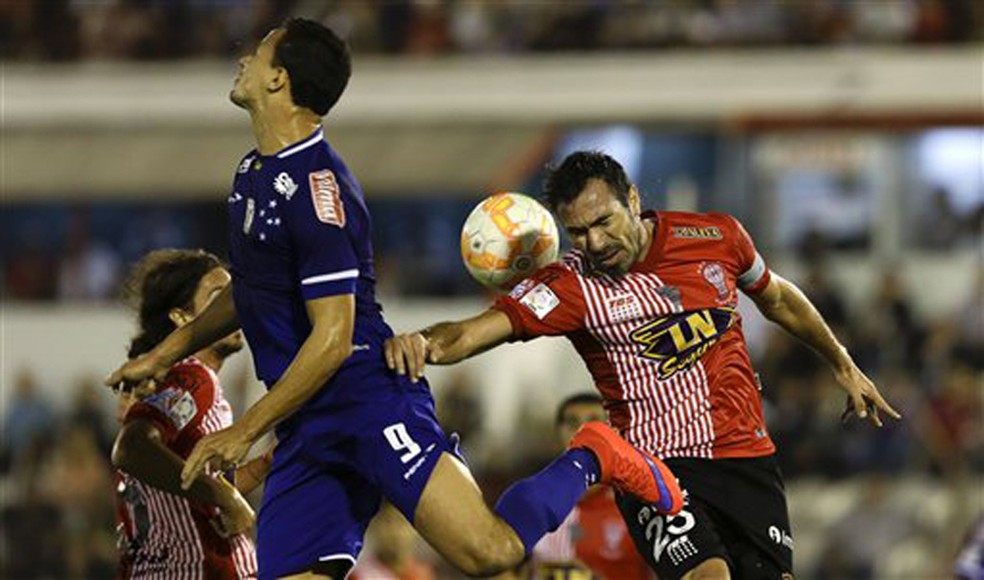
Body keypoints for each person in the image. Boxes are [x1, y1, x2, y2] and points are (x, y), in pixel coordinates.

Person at [106, 20, 682, 580]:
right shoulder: (252, 172)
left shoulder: (320, 193)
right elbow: (254, 292)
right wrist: (166, 353)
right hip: (305, 420)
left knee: (490, 554)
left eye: (258, 53)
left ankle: (594, 453)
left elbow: (332, 341)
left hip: (367, 399)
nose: (243, 59)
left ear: (279, 80)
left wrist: (244, 430)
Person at [385, 150, 902, 580]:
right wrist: (423, 344)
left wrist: (842, 361)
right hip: (653, 466)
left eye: (603, 222)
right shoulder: (569, 287)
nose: (594, 243)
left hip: (747, 457)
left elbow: (780, 298)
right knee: (710, 576)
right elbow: (475, 331)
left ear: (632, 200)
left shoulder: (718, 238)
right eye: (578, 232)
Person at [111, 249, 262, 578]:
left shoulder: (179, 385)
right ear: (181, 318)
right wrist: (225, 496)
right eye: (218, 297)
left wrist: (269, 462)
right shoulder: (192, 377)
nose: (234, 308)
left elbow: (191, 487)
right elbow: (131, 448)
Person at [524, 393, 651, 580]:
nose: (582, 431)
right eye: (572, 423)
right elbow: (502, 569)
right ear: (558, 431)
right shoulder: (533, 502)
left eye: (594, 422)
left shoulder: (638, 506)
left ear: (614, 432)